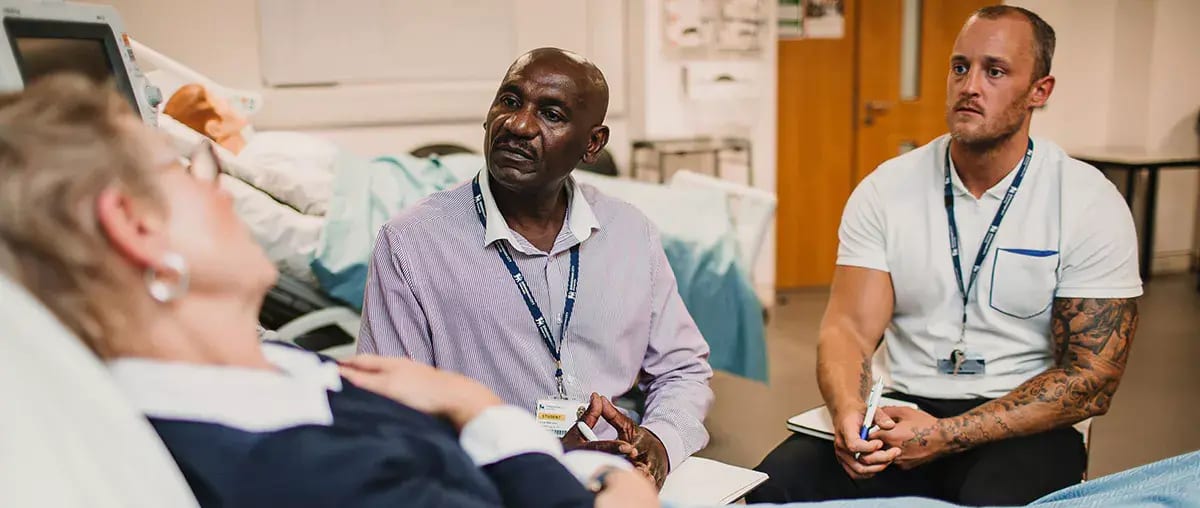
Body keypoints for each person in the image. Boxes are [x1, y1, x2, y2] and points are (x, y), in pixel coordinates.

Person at [0, 73, 659, 508]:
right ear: (136, 226)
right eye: (188, 169)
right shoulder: (288, 468)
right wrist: (481, 409)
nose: (214, 186)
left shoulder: (283, 369)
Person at [749, 5, 1141, 506]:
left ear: (1040, 91)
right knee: (773, 486)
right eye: (960, 67)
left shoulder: (1086, 199)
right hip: (901, 411)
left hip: (1020, 424)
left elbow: (1092, 379)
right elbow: (847, 327)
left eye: (994, 71)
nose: (970, 85)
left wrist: (947, 434)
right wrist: (851, 414)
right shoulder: (887, 189)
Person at [358, 47, 714, 488]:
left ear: (592, 144)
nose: (519, 125)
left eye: (551, 114)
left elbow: (682, 368)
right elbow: (392, 414)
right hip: (490, 483)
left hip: (622, 479)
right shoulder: (411, 243)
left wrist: (659, 443)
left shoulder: (629, 233)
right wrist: (529, 457)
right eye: (509, 101)